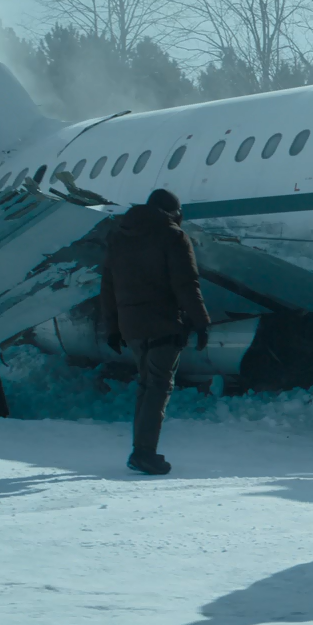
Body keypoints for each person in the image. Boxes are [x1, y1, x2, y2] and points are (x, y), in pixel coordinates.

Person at [99, 189, 209, 476]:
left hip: (131, 326)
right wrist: (201, 322)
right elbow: (186, 284)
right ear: (175, 213)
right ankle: (144, 453)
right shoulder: (173, 236)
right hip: (163, 323)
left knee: (146, 385)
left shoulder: (119, 236)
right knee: (158, 386)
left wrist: (112, 328)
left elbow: (108, 286)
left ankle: (141, 448)